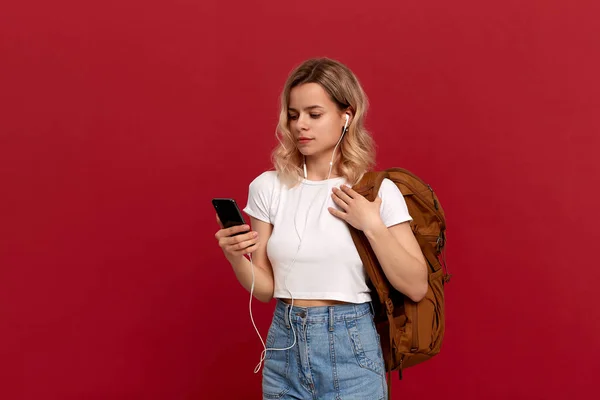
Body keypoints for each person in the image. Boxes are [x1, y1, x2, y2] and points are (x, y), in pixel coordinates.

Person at [214, 58, 428, 400]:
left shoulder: (373, 191)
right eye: (294, 114)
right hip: (284, 345)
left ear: (347, 115)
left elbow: (416, 286)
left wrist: (372, 224)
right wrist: (236, 256)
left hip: (351, 347)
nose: (301, 126)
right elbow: (266, 289)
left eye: (314, 114)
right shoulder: (268, 188)